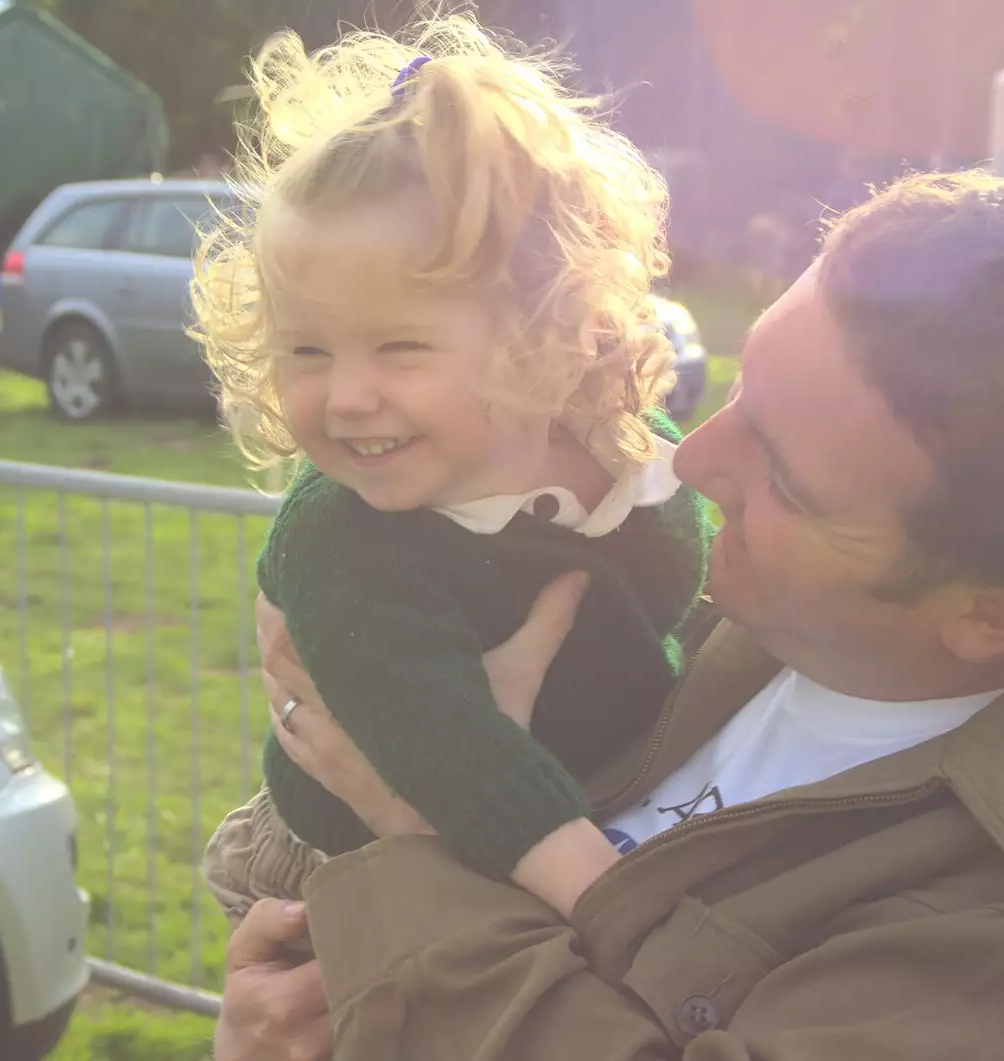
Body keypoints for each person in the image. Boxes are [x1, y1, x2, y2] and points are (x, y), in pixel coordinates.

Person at [214, 170, 1004, 1061]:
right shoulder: (772, 612)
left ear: (990, 617)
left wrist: (423, 836)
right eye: (744, 387)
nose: (696, 459)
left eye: (788, 483)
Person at [191, 13, 711, 927]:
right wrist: (629, 911)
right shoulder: (347, 540)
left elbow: (689, 599)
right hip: (347, 869)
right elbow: (457, 757)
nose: (347, 395)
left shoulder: (632, 454)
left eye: (399, 346)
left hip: (573, 812)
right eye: (306, 350)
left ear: (545, 333)